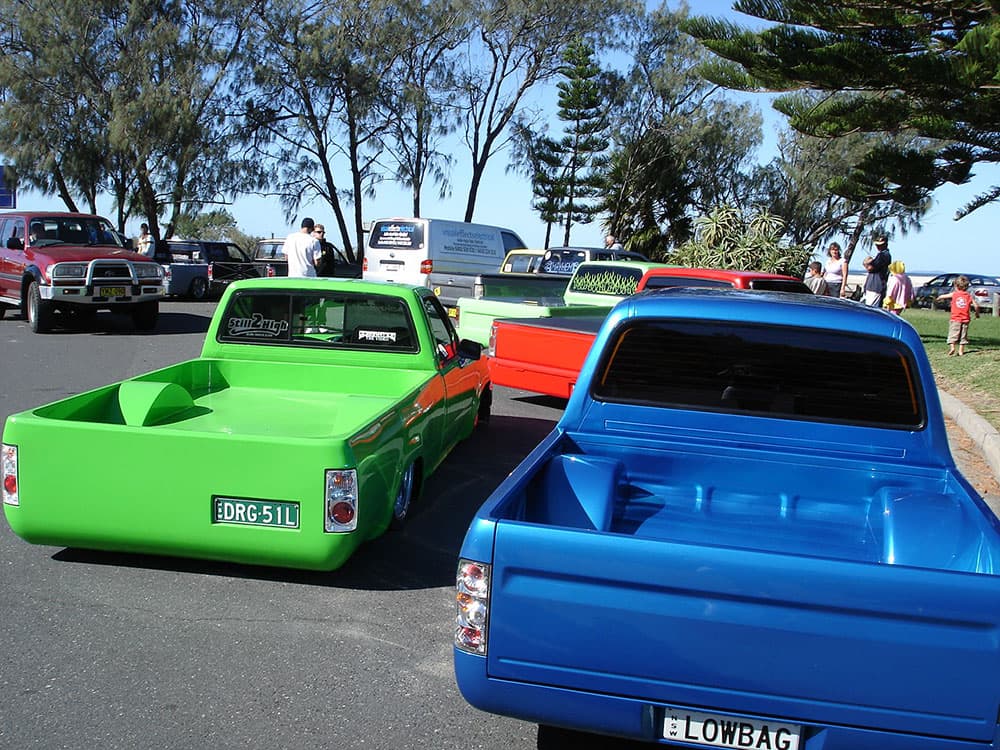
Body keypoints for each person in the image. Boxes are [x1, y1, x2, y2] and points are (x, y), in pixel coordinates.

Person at [937, 275, 981, 356]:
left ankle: (952, 347)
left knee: (953, 333)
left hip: (955, 318)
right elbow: (976, 306)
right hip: (965, 319)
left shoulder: (954, 294)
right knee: (963, 335)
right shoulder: (968, 296)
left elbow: (944, 296)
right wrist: (977, 313)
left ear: (956, 286)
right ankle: (961, 351)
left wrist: (939, 298)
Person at [861, 233, 892, 307]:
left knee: (872, 306)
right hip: (875, 283)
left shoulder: (883, 255)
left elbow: (871, 268)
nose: (878, 246)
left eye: (880, 244)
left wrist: (866, 263)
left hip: (877, 284)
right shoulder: (883, 254)